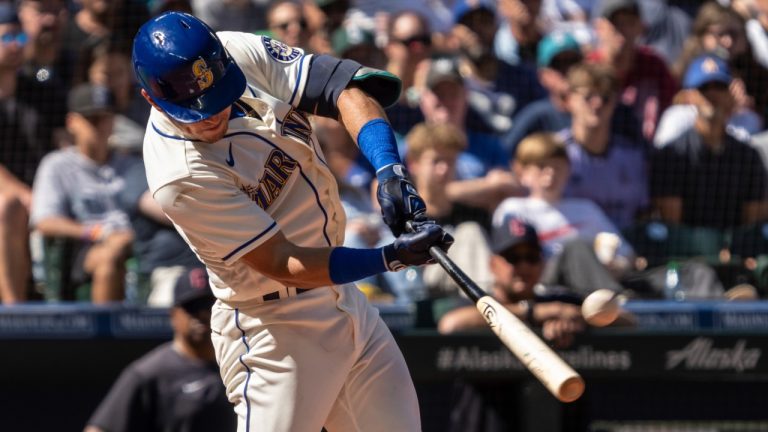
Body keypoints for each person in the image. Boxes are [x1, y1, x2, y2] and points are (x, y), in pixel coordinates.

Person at [131, 12, 453, 432]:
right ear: (152, 99)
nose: (214, 113)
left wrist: (389, 169)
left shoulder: (234, 51)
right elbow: (281, 261)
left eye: (218, 95)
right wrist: (387, 258)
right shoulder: (179, 175)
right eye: (197, 109)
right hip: (275, 330)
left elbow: (342, 87)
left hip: (344, 299)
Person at [83, 266, 236, 432]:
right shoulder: (150, 372)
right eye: (192, 307)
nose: (202, 315)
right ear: (173, 315)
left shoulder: (238, 361)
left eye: (208, 306)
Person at [30, 83, 135, 304]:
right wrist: (98, 233)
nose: (99, 126)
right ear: (72, 123)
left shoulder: (131, 163)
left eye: (105, 118)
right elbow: (44, 221)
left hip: (136, 244)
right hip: (82, 251)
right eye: (91, 119)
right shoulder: (57, 165)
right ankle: (105, 327)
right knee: (108, 260)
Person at [496, 132, 635, 282]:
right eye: (541, 166)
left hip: (587, 284)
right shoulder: (514, 209)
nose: (550, 173)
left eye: (557, 167)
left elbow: (626, 254)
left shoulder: (586, 209)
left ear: (568, 170)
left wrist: (617, 266)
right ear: (522, 172)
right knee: (575, 246)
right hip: (541, 284)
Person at [651, 53, 768, 229]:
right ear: (690, 96)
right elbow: (673, 228)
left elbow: (753, 226)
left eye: (719, 87)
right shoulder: (673, 154)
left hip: (735, 245)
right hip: (685, 246)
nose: (712, 94)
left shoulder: (748, 157)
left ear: (731, 94)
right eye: (704, 88)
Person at [0, 3, 65, 304]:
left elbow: (63, 144)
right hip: (13, 197)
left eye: (20, 37)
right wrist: (29, 197)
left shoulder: (42, 89)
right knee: (7, 207)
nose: (15, 45)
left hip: (44, 189)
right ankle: (15, 312)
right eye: (6, 38)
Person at [558, 62, 649, 230]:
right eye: (588, 97)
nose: (598, 103)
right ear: (569, 99)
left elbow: (641, 215)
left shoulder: (632, 158)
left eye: (606, 97)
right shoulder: (555, 153)